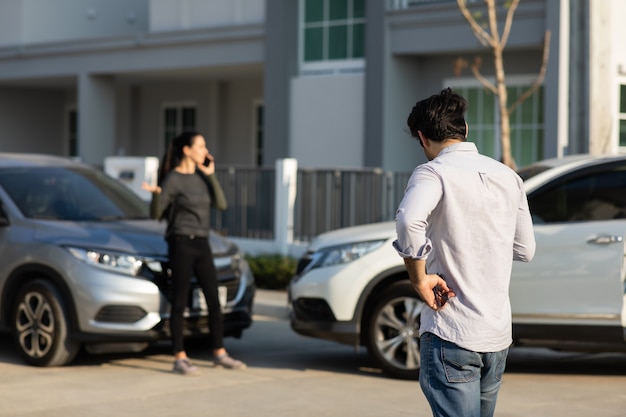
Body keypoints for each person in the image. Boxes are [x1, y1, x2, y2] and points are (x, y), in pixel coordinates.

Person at [393, 88, 535, 417]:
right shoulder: (509, 177)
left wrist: (419, 279)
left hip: (451, 331)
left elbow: (409, 219)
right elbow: (526, 249)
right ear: (465, 129)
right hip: (496, 336)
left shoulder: (432, 172)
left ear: (422, 137)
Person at [145, 131, 246, 375]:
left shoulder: (202, 177)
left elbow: (220, 204)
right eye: (201, 146)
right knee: (179, 300)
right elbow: (155, 215)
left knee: (213, 299)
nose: (205, 150)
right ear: (187, 150)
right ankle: (179, 356)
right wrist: (156, 196)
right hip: (181, 242)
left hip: (202, 242)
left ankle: (219, 352)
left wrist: (211, 176)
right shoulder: (173, 179)